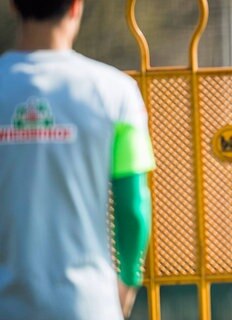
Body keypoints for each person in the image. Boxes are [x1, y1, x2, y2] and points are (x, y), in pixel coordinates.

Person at [0, 0, 155, 319]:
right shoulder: (116, 91)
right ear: (76, 7)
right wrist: (127, 280)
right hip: (87, 303)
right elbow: (133, 206)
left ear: (14, 7)